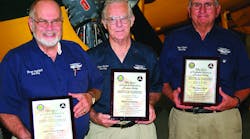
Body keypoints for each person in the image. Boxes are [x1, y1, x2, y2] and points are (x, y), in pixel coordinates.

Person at [0, 0, 103, 139]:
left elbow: (97, 85)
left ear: (62, 23)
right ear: (31, 24)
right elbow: (4, 108)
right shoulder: (14, 60)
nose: (50, 27)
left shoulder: (76, 51)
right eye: (43, 21)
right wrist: (24, 136)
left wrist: (90, 97)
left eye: (55, 21)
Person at [159, 0, 250, 139]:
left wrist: (235, 101)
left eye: (208, 4)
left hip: (223, 120)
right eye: (196, 5)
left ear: (217, 10)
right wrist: (172, 95)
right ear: (189, 10)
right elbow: (162, 80)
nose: (202, 9)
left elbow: (246, 81)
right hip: (184, 120)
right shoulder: (173, 39)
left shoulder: (234, 41)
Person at [85, 0, 162, 139]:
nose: (119, 24)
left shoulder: (148, 54)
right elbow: (82, 97)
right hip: (102, 132)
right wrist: (94, 116)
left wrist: (150, 104)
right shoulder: (90, 58)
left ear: (132, 20)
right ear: (104, 23)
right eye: (112, 19)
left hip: (140, 130)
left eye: (123, 18)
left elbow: (156, 90)